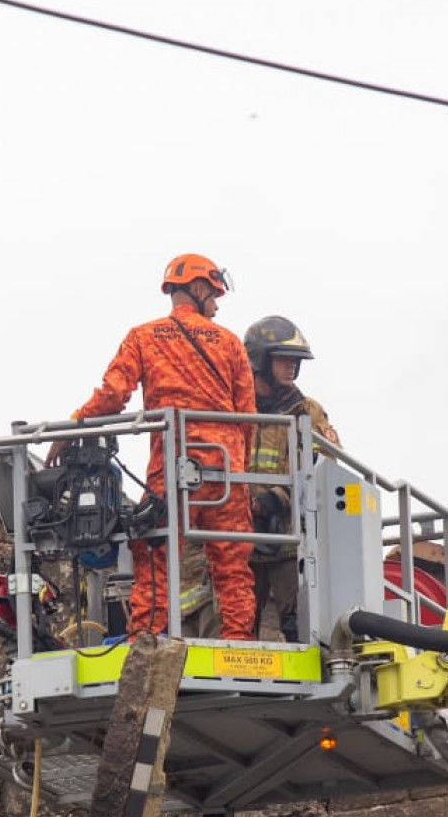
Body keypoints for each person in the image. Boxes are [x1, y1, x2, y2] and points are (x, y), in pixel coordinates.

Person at [51, 254, 258, 640]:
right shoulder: (229, 343)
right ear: (196, 289)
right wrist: (244, 479)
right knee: (232, 567)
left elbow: (112, 396)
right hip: (226, 470)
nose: (216, 304)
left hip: (174, 467)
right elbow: (248, 416)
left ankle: (145, 643)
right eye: (213, 295)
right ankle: (237, 648)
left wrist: (69, 426)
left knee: (155, 558)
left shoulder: (143, 337)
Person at [242, 314, 339, 642]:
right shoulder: (233, 408)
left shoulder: (306, 412)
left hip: (290, 538)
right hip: (240, 536)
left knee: (299, 622)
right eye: (284, 359)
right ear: (259, 360)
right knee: (238, 622)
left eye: (296, 361)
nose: (292, 367)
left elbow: (327, 469)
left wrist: (276, 500)